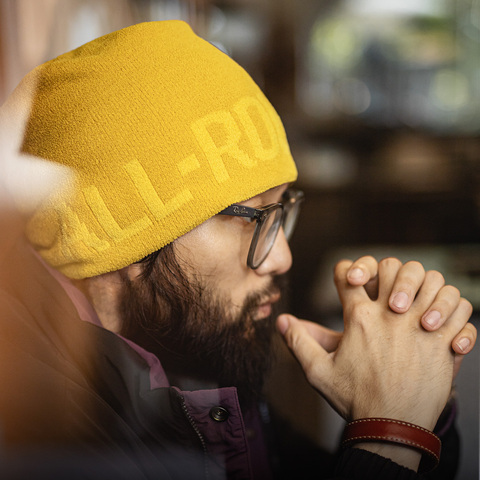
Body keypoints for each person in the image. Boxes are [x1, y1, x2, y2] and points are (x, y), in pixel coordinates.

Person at [0, 20, 476, 480]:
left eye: (283, 207)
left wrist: (414, 393)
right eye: (252, 216)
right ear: (124, 239)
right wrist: (389, 435)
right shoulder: (39, 433)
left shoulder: (188, 344)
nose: (282, 257)